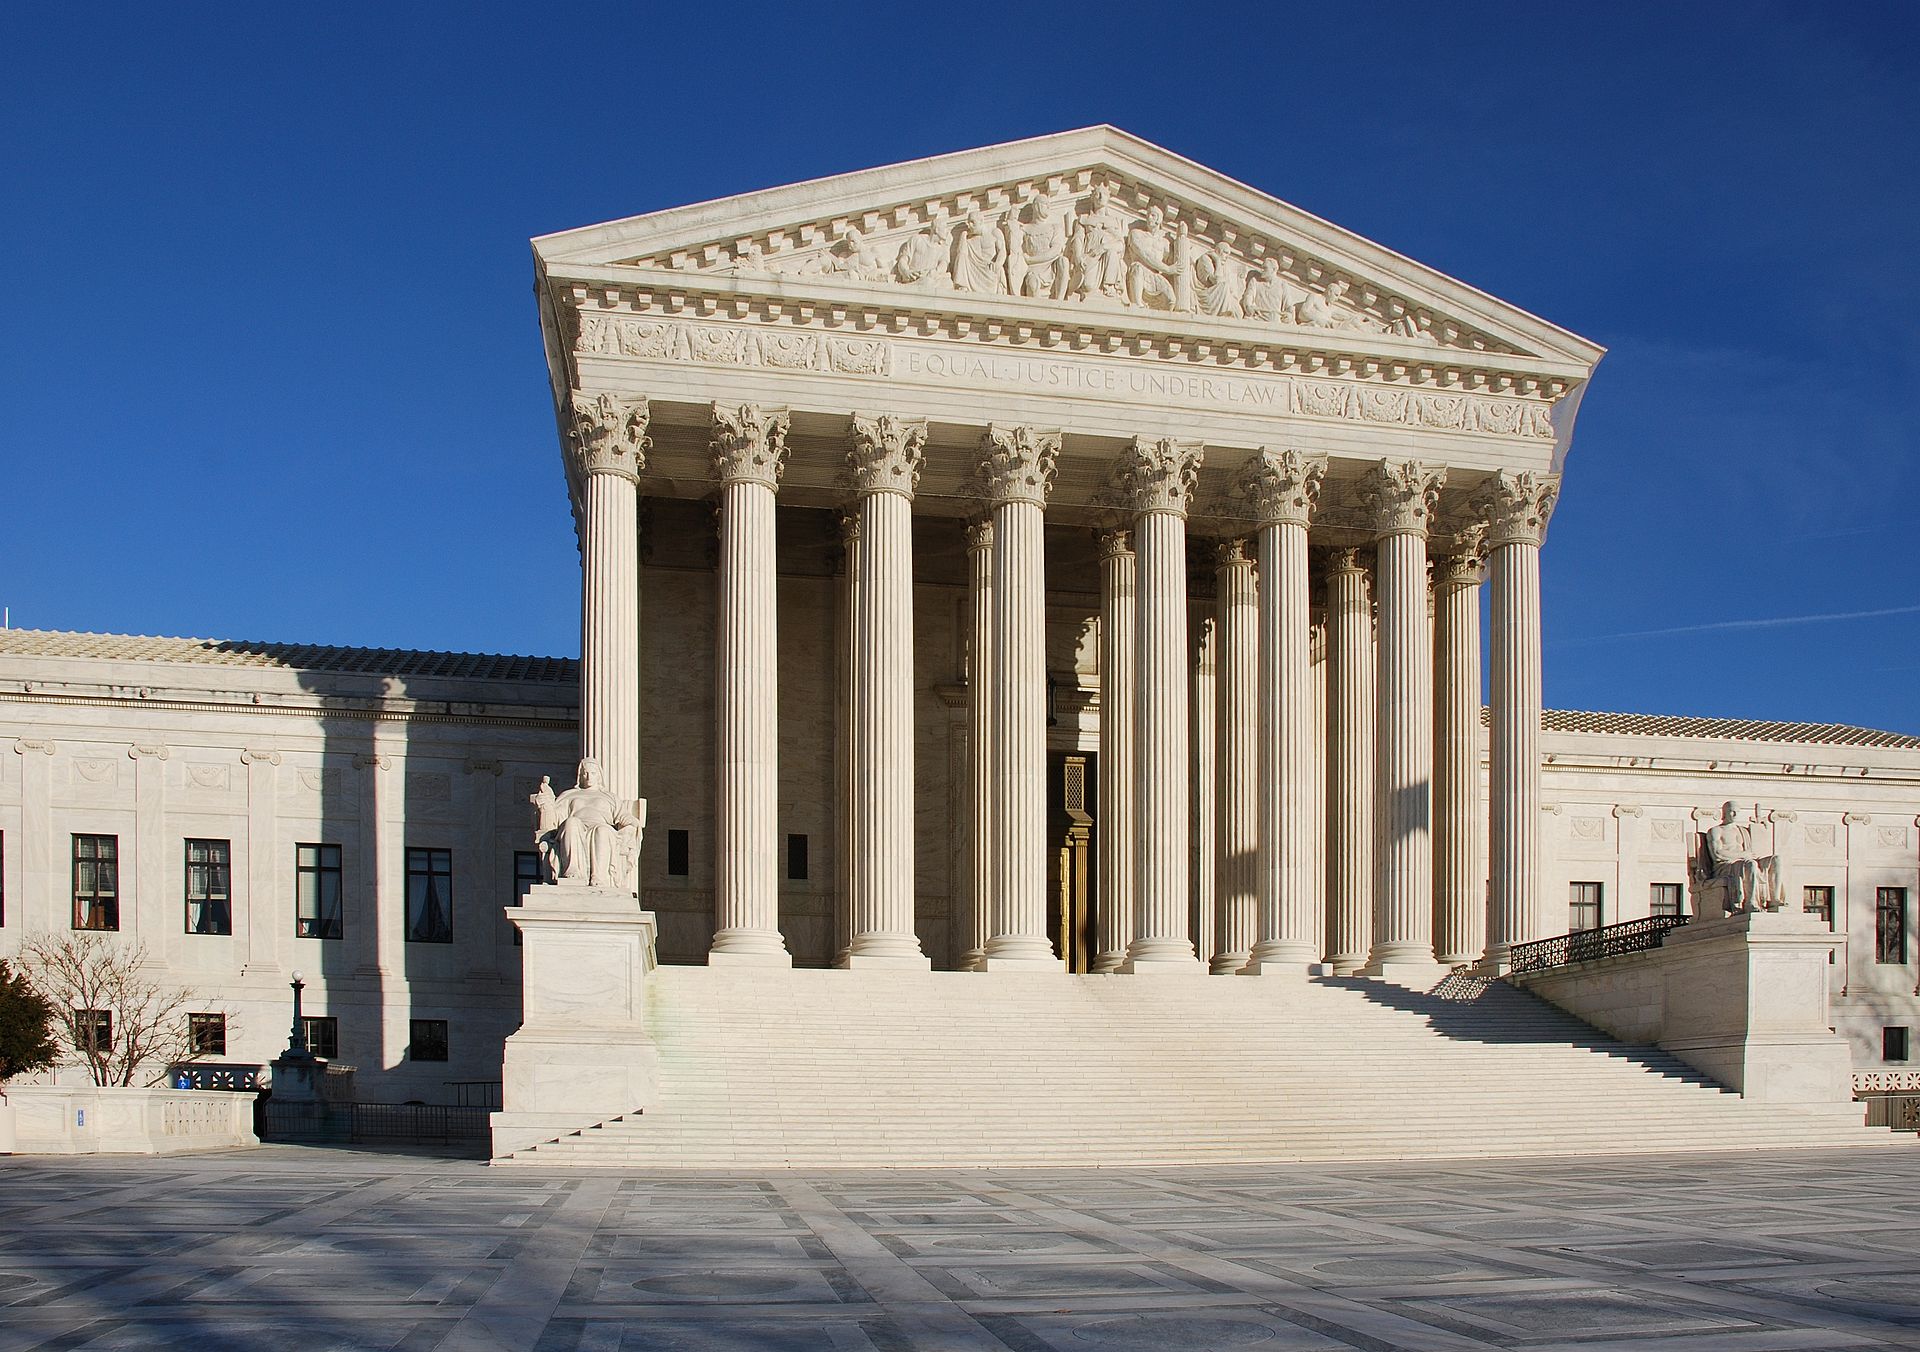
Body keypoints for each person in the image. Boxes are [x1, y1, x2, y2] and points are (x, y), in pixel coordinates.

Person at [530, 758, 645, 890]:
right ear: (581, 775)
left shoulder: (610, 797)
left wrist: (631, 826)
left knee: (603, 830)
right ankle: (572, 871)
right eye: (586, 773)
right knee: (572, 822)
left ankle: (599, 877)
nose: (589, 776)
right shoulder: (569, 795)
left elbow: (623, 817)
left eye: (593, 773)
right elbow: (555, 818)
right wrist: (547, 802)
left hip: (601, 827)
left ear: (599, 775)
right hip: (574, 828)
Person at [1703, 801, 1782, 913]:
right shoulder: (1716, 830)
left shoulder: (1743, 831)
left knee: (1776, 860)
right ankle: (1750, 902)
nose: (1735, 815)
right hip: (1725, 866)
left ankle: (1774, 899)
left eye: (1737, 812)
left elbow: (1756, 850)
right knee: (1751, 864)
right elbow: (1717, 854)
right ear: (1725, 812)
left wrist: (1761, 829)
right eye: (1732, 812)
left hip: (1745, 861)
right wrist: (1743, 855)